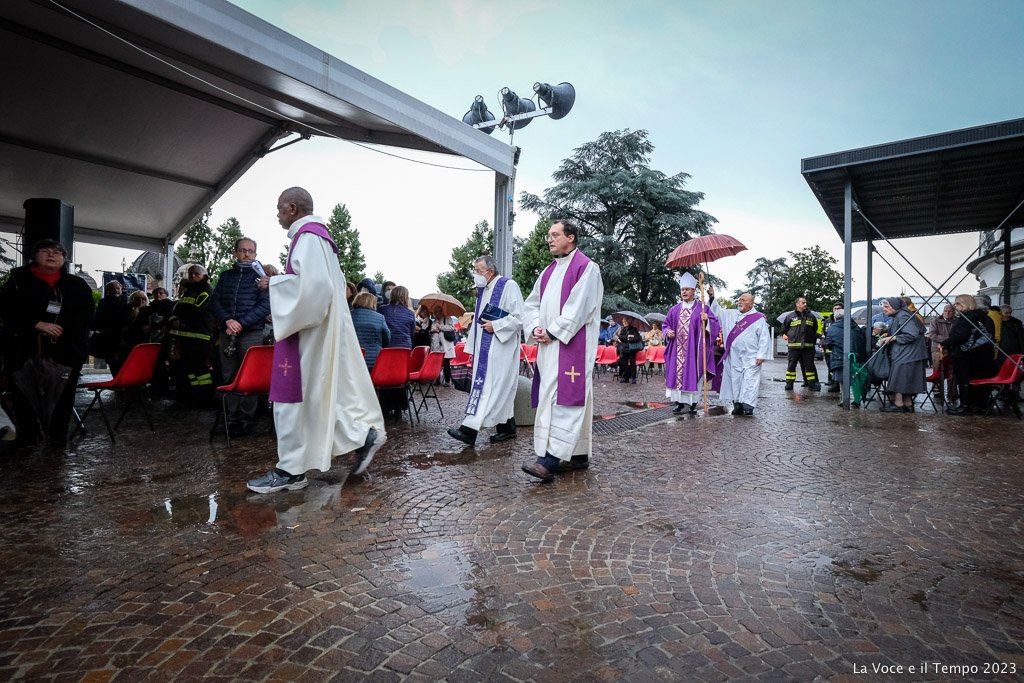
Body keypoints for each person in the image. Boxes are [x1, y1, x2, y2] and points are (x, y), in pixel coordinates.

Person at [247, 187, 385, 494]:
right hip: (315, 332)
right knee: (312, 400)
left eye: (280, 208)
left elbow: (315, 289)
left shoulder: (308, 238)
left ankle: (290, 471)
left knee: (292, 402)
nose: (278, 213)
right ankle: (359, 438)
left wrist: (274, 284)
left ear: (293, 208)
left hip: (309, 335)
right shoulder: (315, 238)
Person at [521, 220, 603, 481]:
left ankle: (549, 460)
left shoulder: (587, 268)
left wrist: (553, 330)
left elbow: (580, 307)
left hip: (570, 347)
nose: (549, 239)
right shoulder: (547, 272)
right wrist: (535, 327)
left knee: (565, 401)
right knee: (561, 399)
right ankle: (578, 455)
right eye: (548, 235)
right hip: (548, 348)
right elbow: (531, 304)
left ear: (571, 237)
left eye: (555, 235)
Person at [0, 239, 94, 449]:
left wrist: (63, 332)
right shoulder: (17, 280)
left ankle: (58, 437)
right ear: (35, 255)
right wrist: (36, 324)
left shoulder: (76, 285)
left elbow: (86, 315)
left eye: (57, 252)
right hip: (24, 350)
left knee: (62, 397)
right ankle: (28, 436)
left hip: (65, 352)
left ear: (64, 258)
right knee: (24, 395)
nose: (51, 255)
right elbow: (6, 310)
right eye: (45, 250)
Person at [446, 255, 524, 447]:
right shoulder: (483, 291)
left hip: (501, 350)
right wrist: (472, 350)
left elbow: (519, 317)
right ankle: (507, 428)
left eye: (479, 271)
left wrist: (496, 325)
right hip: (485, 351)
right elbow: (477, 324)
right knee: (497, 389)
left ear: (490, 272)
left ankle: (469, 431)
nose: (476, 275)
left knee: (491, 389)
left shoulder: (508, 285)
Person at [210, 237, 271, 434]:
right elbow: (215, 301)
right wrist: (228, 320)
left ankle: (247, 418)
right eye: (243, 250)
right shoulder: (226, 276)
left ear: (255, 254)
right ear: (235, 252)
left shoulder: (261, 278)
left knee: (249, 376)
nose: (246, 254)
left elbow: (265, 306)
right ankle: (231, 417)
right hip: (227, 331)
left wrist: (241, 323)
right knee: (229, 375)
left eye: (250, 251)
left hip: (251, 333)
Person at [663, 272, 720, 414]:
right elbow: (666, 325)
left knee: (693, 375)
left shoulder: (702, 308)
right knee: (677, 375)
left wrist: (707, 320)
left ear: (694, 291)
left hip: (694, 351)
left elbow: (715, 325)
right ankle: (679, 403)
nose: (684, 292)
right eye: (682, 290)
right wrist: (668, 332)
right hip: (677, 350)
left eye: (687, 289)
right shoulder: (674, 309)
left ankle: (693, 403)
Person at [708, 289, 771, 416]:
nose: (740, 302)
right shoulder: (731, 314)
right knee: (735, 380)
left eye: (743, 300)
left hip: (751, 356)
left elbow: (764, 338)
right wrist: (712, 297)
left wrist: (761, 355)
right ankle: (737, 404)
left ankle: (748, 405)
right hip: (734, 356)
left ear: (751, 304)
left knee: (750, 381)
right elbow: (717, 311)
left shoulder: (758, 318)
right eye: (739, 300)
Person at [167, 265, 217, 401]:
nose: (193, 276)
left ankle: (205, 396)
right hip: (184, 338)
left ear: (204, 275)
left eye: (196, 274)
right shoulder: (189, 291)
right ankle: (193, 395)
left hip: (199, 338)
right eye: (190, 274)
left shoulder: (207, 290)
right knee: (189, 368)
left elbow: (198, 310)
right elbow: (178, 309)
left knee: (200, 369)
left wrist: (180, 318)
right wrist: (174, 318)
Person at [943, 293, 997, 415]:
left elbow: (960, 336)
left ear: (965, 304)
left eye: (957, 303)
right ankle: (976, 405)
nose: (955, 306)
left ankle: (965, 406)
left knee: (964, 380)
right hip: (981, 355)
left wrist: (944, 343)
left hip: (965, 355)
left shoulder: (967, 317)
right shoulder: (984, 317)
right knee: (976, 380)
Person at [876, 297, 928, 413]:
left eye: (887, 307)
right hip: (911, 353)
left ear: (895, 307)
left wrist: (893, 337)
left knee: (899, 377)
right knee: (907, 379)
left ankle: (899, 404)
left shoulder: (903, 316)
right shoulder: (904, 314)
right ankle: (908, 403)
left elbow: (912, 334)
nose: (884, 309)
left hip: (906, 354)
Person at [822, 304, 867, 407]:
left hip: (839, 358)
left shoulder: (832, 328)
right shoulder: (856, 327)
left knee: (842, 380)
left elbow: (828, 344)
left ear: (836, 318)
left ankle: (844, 399)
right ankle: (856, 400)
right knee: (855, 380)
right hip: (855, 358)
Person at [778, 296, 822, 391]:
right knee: (791, 366)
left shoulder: (811, 317)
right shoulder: (790, 316)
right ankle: (789, 384)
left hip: (808, 347)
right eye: (803, 302)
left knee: (809, 366)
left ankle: (811, 384)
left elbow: (815, 330)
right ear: (797, 304)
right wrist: (785, 335)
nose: (805, 304)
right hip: (794, 347)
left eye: (805, 302)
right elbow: (783, 329)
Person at [90, 280, 128, 374]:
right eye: (113, 289)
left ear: (121, 288)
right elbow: (98, 317)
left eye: (117, 288)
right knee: (111, 360)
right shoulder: (103, 302)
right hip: (107, 336)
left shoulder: (126, 301)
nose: (115, 291)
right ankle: (117, 380)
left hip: (122, 336)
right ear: (108, 290)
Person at [925, 304, 958, 407]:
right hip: (938, 349)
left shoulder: (957, 321)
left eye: (950, 311)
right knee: (938, 369)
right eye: (945, 311)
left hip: (952, 349)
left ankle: (952, 394)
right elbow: (932, 334)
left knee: (952, 372)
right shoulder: (935, 321)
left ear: (954, 312)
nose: (947, 313)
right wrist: (948, 340)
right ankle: (937, 391)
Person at [350, 292, 390, 370]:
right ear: (372, 303)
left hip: (352, 359)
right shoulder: (380, 317)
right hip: (373, 361)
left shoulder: (348, 315)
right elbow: (387, 337)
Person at [379, 286, 415, 350]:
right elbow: (412, 332)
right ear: (406, 297)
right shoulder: (410, 313)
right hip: (405, 348)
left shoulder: (382, 309)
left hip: (386, 348)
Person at [429, 305, 456, 386]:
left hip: (445, 345)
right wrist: (432, 330)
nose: (437, 313)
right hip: (436, 345)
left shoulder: (447, 318)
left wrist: (440, 327)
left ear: (442, 311)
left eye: (439, 311)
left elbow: (451, 328)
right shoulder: (434, 321)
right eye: (435, 312)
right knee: (436, 363)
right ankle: (437, 380)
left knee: (446, 363)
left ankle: (447, 381)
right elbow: (431, 331)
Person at [615, 318, 644, 384]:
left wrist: (630, 339)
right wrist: (628, 337)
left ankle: (633, 378)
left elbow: (637, 338)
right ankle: (626, 378)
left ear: (629, 321)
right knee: (624, 363)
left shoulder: (634, 329)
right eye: (623, 321)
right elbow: (620, 336)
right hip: (624, 349)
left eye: (625, 321)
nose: (624, 322)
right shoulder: (622, 329)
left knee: (632, 363)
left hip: (632, 349)